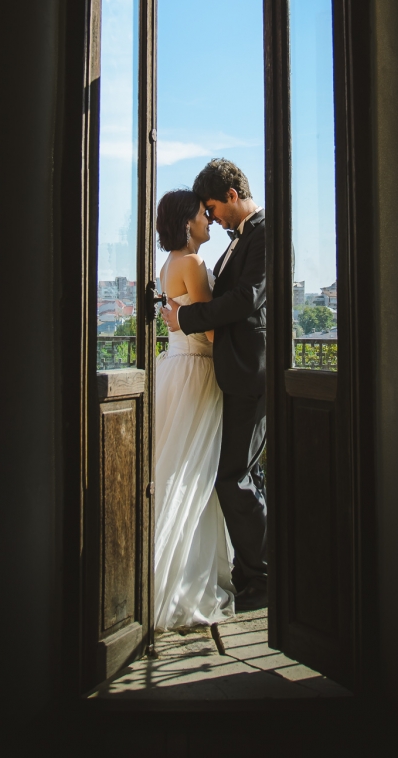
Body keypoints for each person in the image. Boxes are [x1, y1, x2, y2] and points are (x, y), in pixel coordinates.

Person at [161, 159, 267, 613]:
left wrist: (183, 317)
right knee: (239, 475)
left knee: (234, 478)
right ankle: (251, 572)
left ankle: (261, 578)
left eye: (212, 208)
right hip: (227, 373)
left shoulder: (266, 234)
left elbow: (245, 300)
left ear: (229, 195)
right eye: (203, 212)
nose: (212, 218)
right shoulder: (225, 246)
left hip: (249, 373)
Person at [153, 188, 235, 632]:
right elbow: (209, 333)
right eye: (204, 216)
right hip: (198, 373)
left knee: (176, 468)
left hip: (174, 370)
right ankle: (182, 581)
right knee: (195, 473)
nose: (209, 221)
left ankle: (171, 572)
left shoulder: (167, 265)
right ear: (187, 223)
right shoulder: (194, 264)